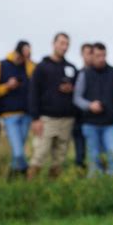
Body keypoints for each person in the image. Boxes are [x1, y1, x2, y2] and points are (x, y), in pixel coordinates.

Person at [26, 33, 78, 179]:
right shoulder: (41, 67)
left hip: (66, 119)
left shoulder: (71, 68)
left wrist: (71, 89)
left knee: (60, 157)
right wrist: (35, 118)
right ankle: (29, 187)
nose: (64, 47)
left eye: (67, 44)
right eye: (61, 43)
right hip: (46, 119)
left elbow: (78, 90)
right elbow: (33, 93)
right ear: (53, 43)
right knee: (40, 154)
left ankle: (52, 188)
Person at [73, 42, 113, 176]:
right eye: (98, 55)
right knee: (94, 158)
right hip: (90, 124)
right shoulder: (84, 74)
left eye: (103, 55)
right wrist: (89, 105)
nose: (101, 58)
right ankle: (95, 188)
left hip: (110, 124)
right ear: (92, 56)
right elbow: (77, 98)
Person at [0, 41, 35, 179]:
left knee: (19, 150)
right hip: (9, 115)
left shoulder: (28, 66)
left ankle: (12, 176)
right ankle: (24, 171)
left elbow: (35, 80)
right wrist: (6, 86)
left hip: (26, 115)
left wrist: (28, 61)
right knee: (18, 153)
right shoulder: (1, 65)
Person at [72, 43, 93, 169]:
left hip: (93, 120)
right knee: (80, 152)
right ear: (82, 54)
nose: (90, 56)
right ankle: (80, 174)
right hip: (78, 118)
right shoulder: (77, 73)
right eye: (87, 53)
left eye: (91, 53)